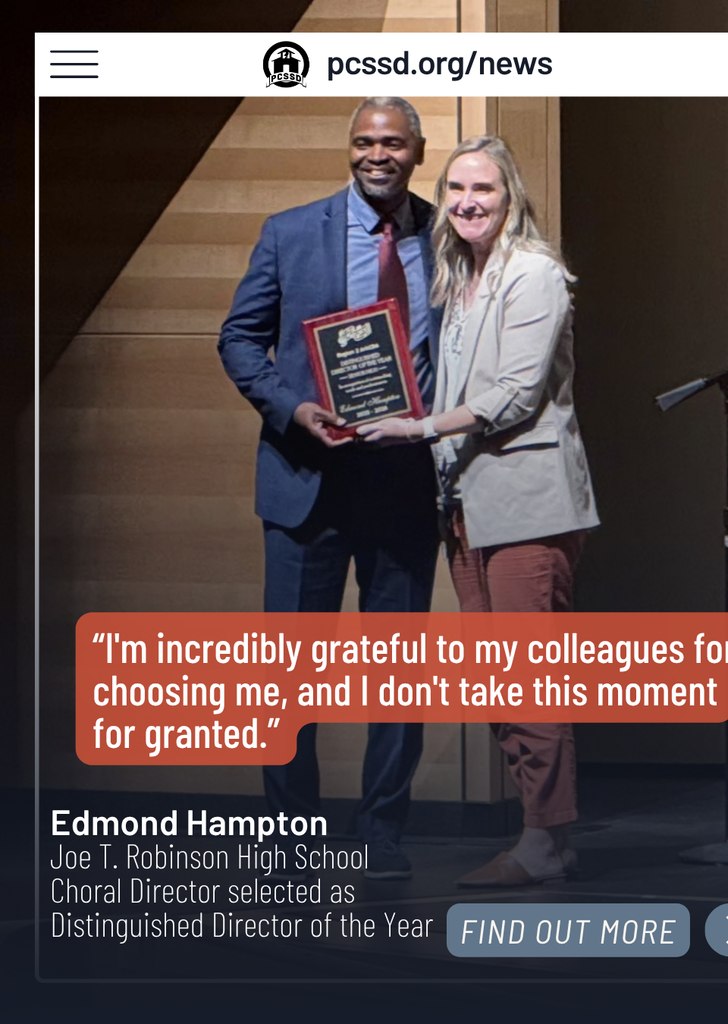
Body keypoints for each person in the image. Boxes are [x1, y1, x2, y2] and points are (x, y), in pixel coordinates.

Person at [358, 136, 600, 886]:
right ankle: (546, 838)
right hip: (463, 506)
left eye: (484, 190)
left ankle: (544, 840)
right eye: (456, 188)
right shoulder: (456, 277)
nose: (467, 201)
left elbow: (514, 397)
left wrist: (415, 427)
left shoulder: (534, 275)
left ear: (510, 198)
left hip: (528, 506)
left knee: (528, 678)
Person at [218, 98, 441, 880]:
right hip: (302, 483)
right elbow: (238, 338)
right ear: (351, 149)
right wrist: (291, 406)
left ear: (417, 152)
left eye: (392, 143)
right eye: (363, 141)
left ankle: (381, 835)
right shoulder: (289, 231)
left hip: (402, 485)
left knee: (396, 678)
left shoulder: (446, 237)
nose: (376, 154)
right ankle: (288, 842)